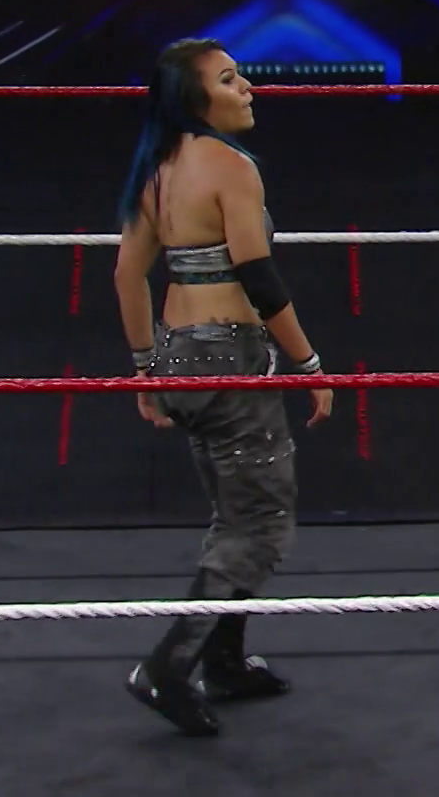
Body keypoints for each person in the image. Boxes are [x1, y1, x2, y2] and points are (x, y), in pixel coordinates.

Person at [112, 37, 334, 737]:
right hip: (227, 357)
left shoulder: (158, 169)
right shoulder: (230, 166)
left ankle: (226, 661)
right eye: (230, 80)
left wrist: (145, 369)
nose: (248, 89)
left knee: (235, 516)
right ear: (196, 99)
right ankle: (168, 666)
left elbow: (127, 274)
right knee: (261, 523)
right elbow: (258, 275)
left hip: (180, 357)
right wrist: (309, 365)